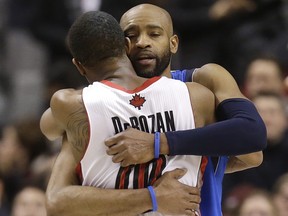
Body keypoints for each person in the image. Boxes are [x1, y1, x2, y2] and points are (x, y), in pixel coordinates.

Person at [44, 4, 266, 216]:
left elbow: (252, 148)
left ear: (173, 43)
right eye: (132, 35)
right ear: (122, 45)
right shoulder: (90, 103)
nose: (142, 42)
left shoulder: (201, 84)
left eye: (154, 34)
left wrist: (158, 144)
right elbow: (51, 126)